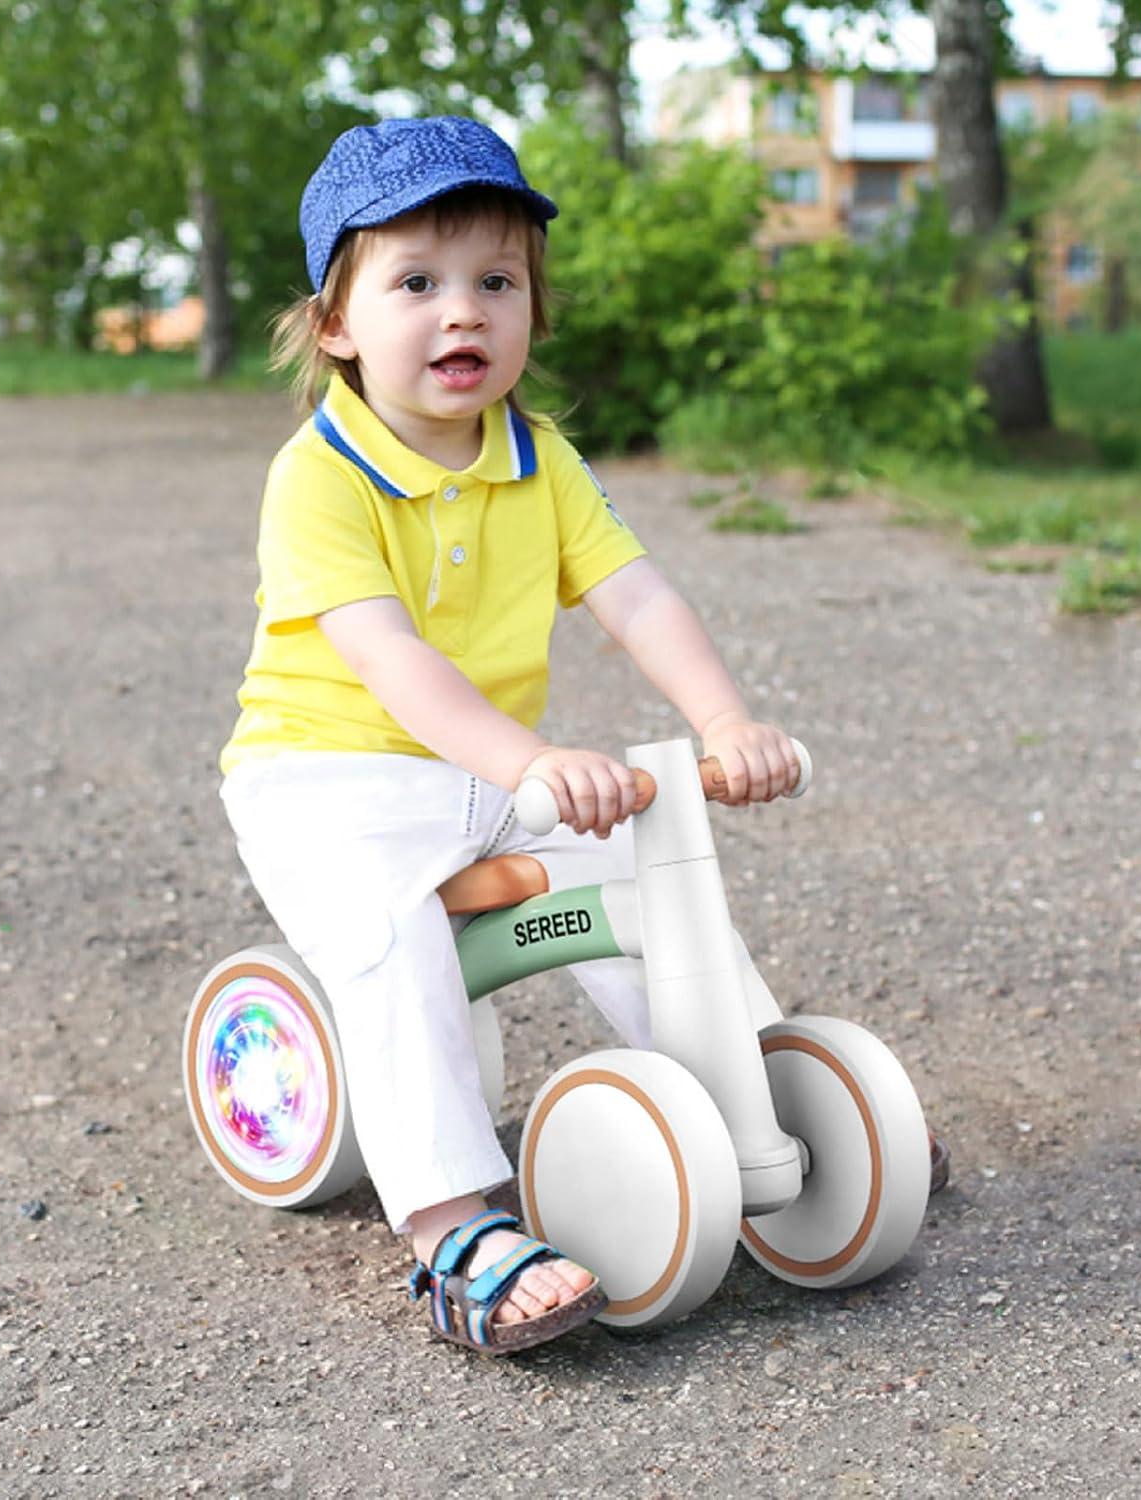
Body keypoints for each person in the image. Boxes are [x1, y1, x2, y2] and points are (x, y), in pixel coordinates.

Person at [219, 115, 803, 1355]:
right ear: (336, 323)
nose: (463, 314)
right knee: (392, 935)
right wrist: (531, 762)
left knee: (633, 863)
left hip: (472, 771)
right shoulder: (317, 476)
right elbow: (393, 661)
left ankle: (754, 1093)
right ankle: (447, 1224)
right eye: (417, 284)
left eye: (497, 282)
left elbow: (637, 595)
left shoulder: (544, 462)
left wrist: (724, 720)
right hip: (325, 783)